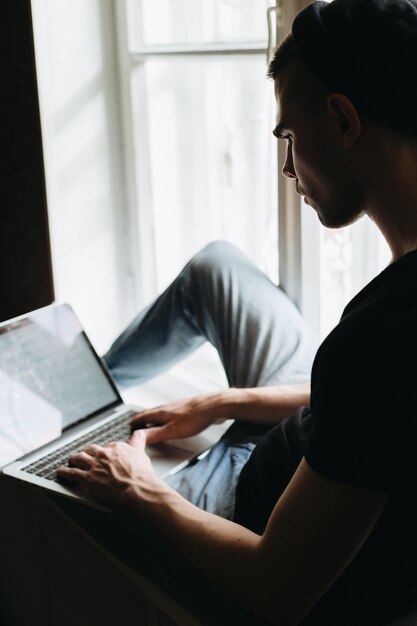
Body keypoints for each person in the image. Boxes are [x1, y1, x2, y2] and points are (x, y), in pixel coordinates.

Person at [57, 0, 417, 624]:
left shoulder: (383, 336)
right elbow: (369, 412)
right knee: (217, 266)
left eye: (289, 137)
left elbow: (274, 590)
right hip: (300, 455)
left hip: (243, 518)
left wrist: (137, 487)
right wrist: (225, 401)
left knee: (63, 494)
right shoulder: (392, 310)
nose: (287, 169)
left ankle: (64, 430)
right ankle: (85, 396)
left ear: (342, 119)